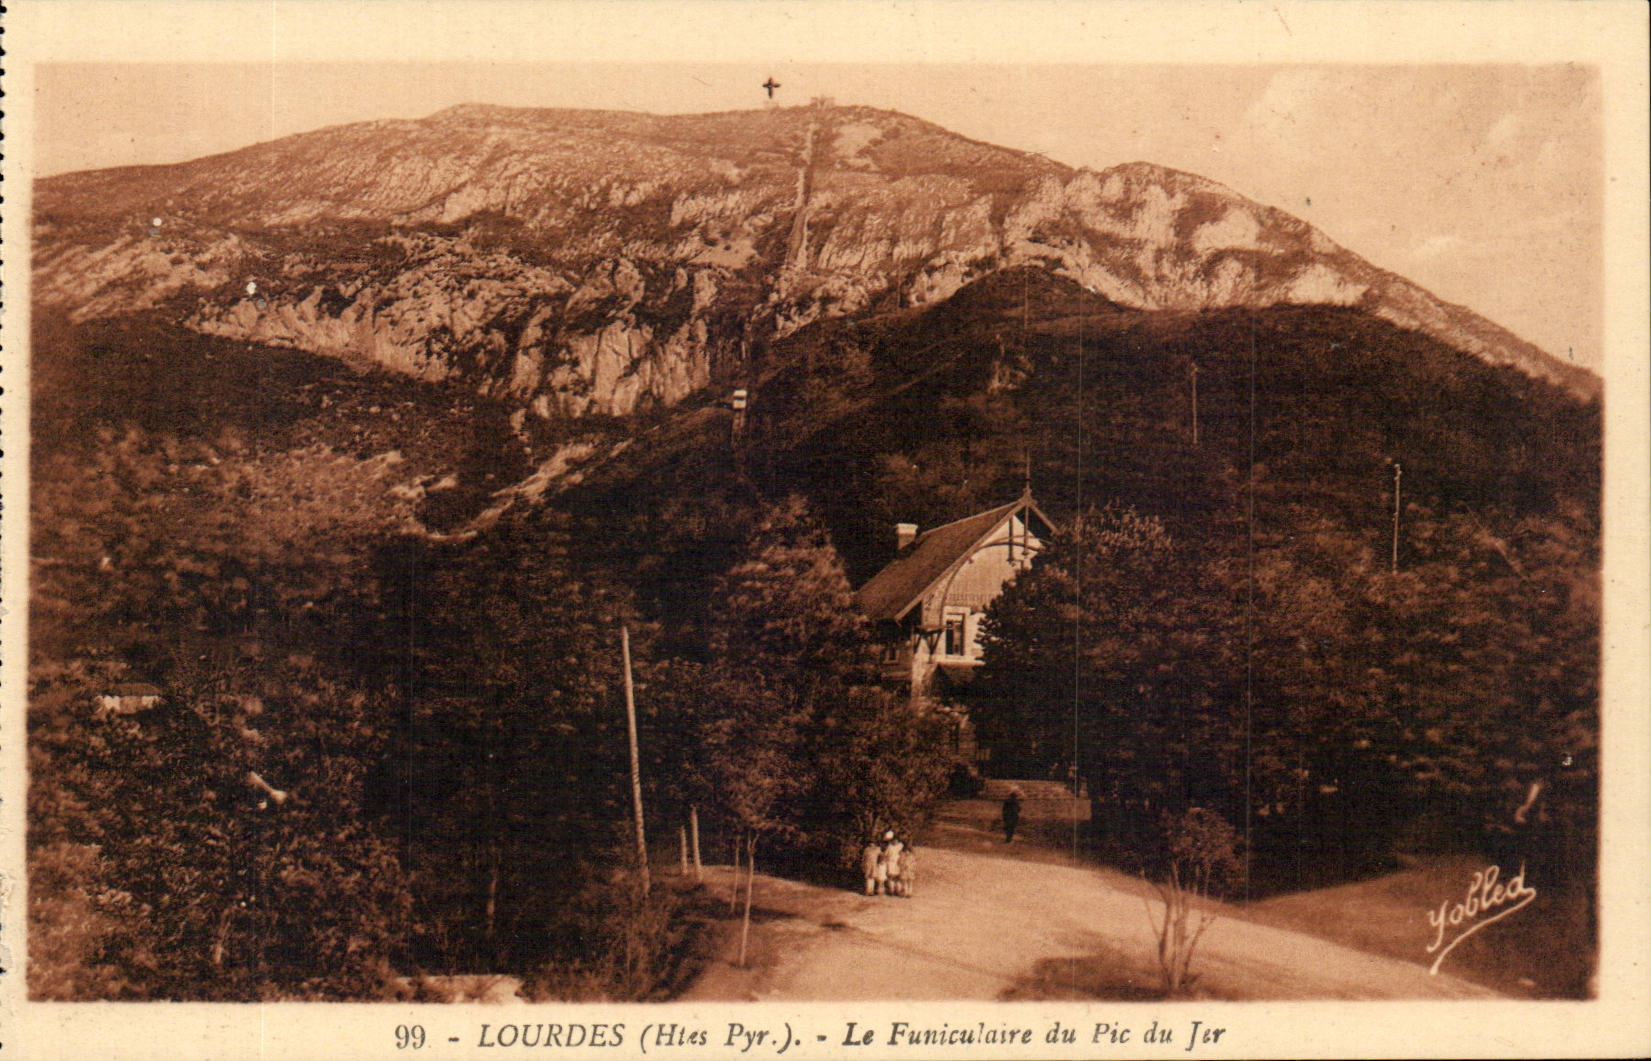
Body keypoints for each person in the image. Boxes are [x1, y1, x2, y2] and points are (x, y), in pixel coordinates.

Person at [884, 831, 905, 897]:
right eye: (894, 840)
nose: (895, 842)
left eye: (896, 840)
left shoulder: (900, 846)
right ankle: (891, 890)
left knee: (897, 877)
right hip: (890, 863)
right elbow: (886, 855)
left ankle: (898, 890)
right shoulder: (889, 847)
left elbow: (903, 854)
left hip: (898, 863)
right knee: (890, 877)